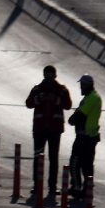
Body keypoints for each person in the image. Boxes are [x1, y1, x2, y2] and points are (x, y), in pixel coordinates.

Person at [25, 66, 72, 195]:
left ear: (55, 76)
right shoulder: (37, 89)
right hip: (39, 129)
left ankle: (52, 186)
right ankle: (37, 184)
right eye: (46, 77)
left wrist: (55, 99)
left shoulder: (61, 90)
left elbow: (68, 105)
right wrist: (39, 98)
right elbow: (28, 103)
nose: (48, 80)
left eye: (51, 77)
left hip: (54, 129)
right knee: (38, 157)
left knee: (53, 158)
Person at [67, 74, 102, 199]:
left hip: (85, 137)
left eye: (82, 85)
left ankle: (77, 187)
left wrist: (71, 120)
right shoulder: (93, 96)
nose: (81, 87)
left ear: (88, 85)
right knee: (87, 165)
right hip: (91, 136)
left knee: (75, 163)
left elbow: (79, 115)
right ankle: (87, 191)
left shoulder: (91, 98)